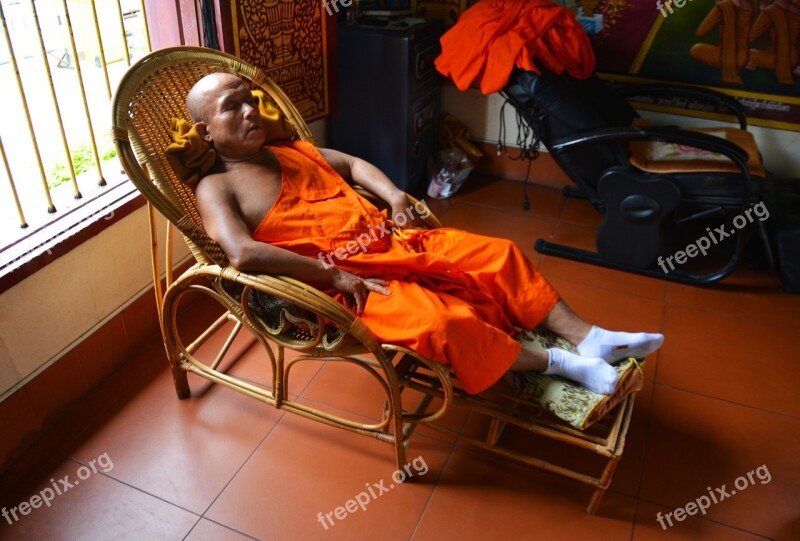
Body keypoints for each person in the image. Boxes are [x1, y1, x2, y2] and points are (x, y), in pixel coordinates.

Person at [186, 72, 664, 395]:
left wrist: (394, 195)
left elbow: (352, 164)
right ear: (206, 132)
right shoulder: (217, 186)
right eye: (233, 108)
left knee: (497, 254)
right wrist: (330, 278)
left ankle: (592, 338)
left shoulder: (290, 151)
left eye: (251, 101)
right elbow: (242, 254)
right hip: (351, 282)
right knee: (442, 324)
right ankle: (559, 364)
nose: (250, 112)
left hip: (394, 241)